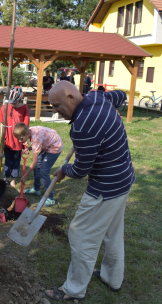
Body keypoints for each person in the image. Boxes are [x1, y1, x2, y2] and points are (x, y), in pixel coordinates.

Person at [44, 81, 135, 301]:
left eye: (57, 106)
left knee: (81, 233)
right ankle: (111, 278)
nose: (56, 112)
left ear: (71, 98)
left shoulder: (82, 126)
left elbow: (81, 169)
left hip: (105, 188)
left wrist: (64, 169)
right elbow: (120, 95)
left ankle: (73, 289)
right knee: (112, 232)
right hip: (124, 179)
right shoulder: (97, 98)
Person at [13, 123, 63, 206]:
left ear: (27, 134)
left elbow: (34, 161)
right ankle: (37, 189)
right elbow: (38, 143)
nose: (20, 141)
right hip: (47, 144)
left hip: (55, 147)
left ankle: (50, 199)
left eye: (21, 139)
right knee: (37, 167)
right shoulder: (30, 131)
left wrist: (25, 175)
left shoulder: (35, 138)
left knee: (44, 171)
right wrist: (29, 148)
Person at [0, 86, 29, 188]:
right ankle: (7, 178)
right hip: (8, 139)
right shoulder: (5, 107)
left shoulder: (24, 108)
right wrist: (2, 136)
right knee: (7, 159)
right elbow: (2, 123)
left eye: (15, 103)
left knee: (16, 161)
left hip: (18, 141)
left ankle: (13, 179)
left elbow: (26, 126)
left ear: (20, 99)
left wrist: (25, 141)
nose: (13, 104)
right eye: (11, 102)